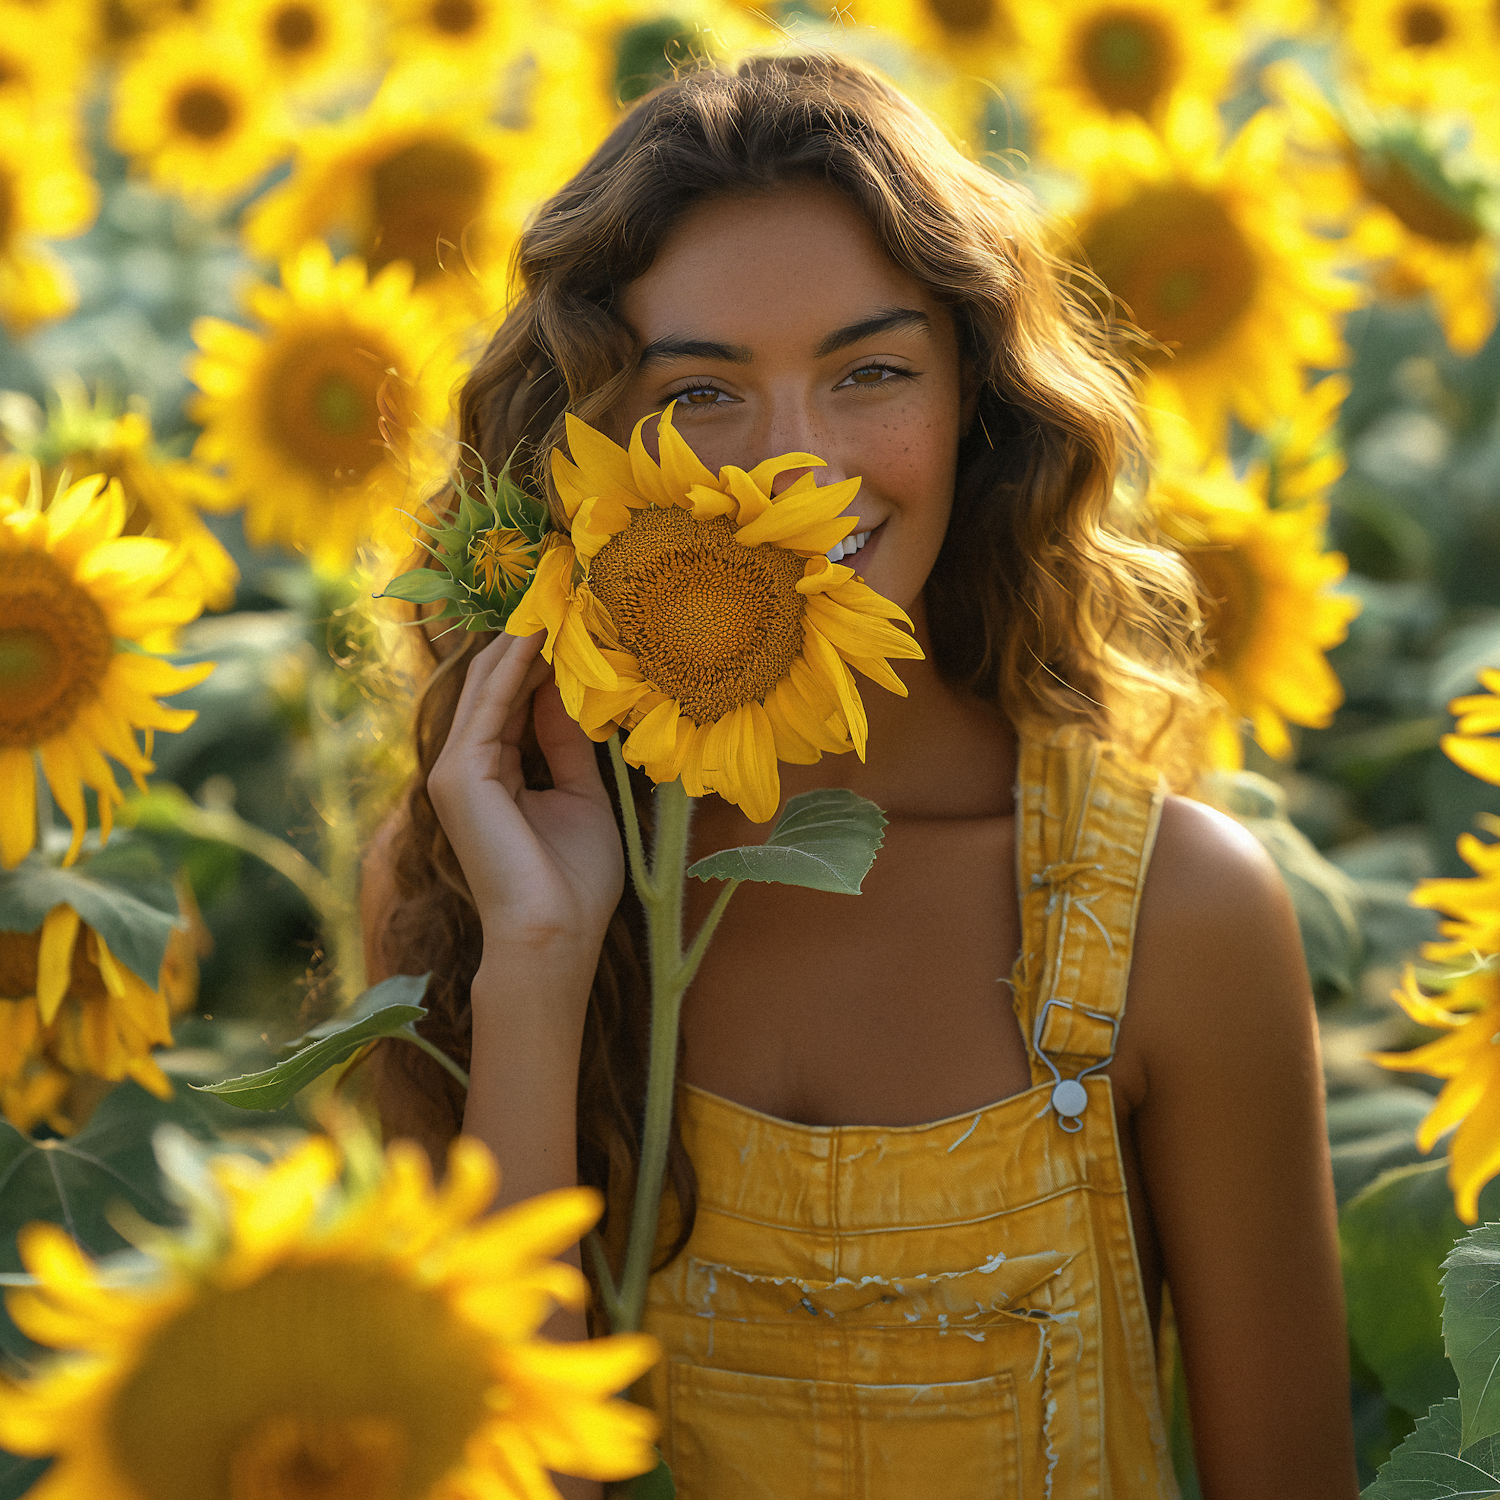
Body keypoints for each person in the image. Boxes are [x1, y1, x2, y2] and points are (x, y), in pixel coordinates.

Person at [361, 53, 1358, 1500]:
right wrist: (536, 962)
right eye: (705, 393)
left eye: (872, 372)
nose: (798, 468)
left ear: (979, 403)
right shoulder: (468, 886)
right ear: (596, 449)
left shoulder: (1176, 917)